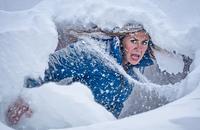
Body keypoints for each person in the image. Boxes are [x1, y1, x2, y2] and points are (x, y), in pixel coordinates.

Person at [6, 22, 191, 125]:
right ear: (121, 40)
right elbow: (46, 67)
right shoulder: (92, 52)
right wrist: (25, 97)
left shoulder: (132, 71)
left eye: (144, 43)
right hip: (70, 122)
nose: (139, 48)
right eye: (133, 40)